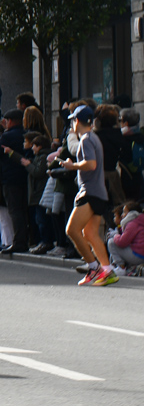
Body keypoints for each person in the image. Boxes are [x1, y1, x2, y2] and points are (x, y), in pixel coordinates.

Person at [60, 104, 115, 285]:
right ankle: (107, 270)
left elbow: (90, 164)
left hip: (89, 192)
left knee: (72, 230)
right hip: (98, 192)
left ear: (77, 121)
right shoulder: (94, 137)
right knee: (90, 233)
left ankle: (93, 267)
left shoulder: (86, 139)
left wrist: (72, 166)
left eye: (72, 121)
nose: (72, 125)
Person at [0, 108, 31, 254]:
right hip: (24, 176)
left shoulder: (7, 136)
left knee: (15, 210)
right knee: (23, 210)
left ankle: (19, 242)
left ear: (10, 121)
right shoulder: (25, 134)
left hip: (9, 177)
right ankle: (25, 239)